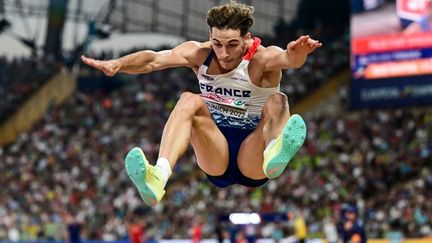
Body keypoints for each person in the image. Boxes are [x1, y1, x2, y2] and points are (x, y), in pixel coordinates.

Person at [81, 0, 322, 206]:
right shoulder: (199, 54)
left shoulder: (262, 59)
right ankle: (158, 177)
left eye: (232, 45)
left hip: (254, 155)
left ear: (247, 38)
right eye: (217, 43)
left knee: (278, 100)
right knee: (189, 100)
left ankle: (274, 153)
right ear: (210, 37)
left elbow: (289, 60)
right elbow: (154, 60)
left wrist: (298, 52)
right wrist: (119, 64)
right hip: (215, 151)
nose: (224, 53)